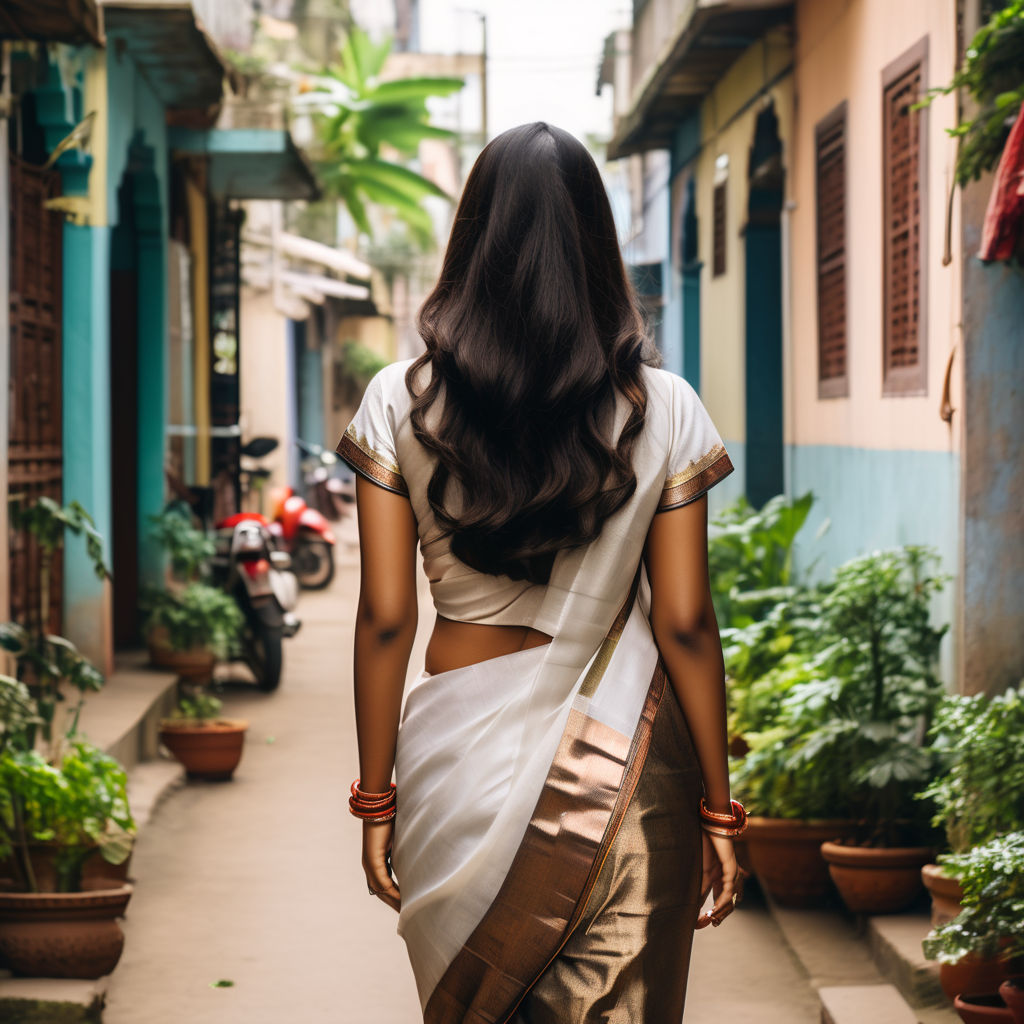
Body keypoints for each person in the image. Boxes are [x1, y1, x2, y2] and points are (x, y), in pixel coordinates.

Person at [336, 121, 745, 1024]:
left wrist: (375, 800)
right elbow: (684, 624)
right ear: (599, 247)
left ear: (470, 241)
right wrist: (720, 811)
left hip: (453, 780)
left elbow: (385, 622)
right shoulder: (665, 407)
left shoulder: (396, 403)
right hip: (631, 792)